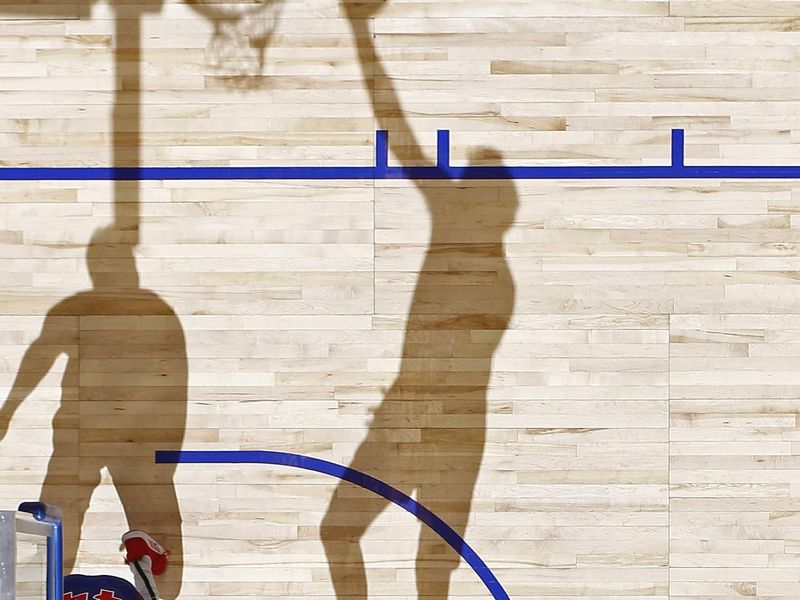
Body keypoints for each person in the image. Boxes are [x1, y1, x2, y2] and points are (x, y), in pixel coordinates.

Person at [64, 531, 168, 600]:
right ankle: (138, 551)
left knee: (149, 597)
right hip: (66, 588)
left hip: (115, 591)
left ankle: (139, 551)